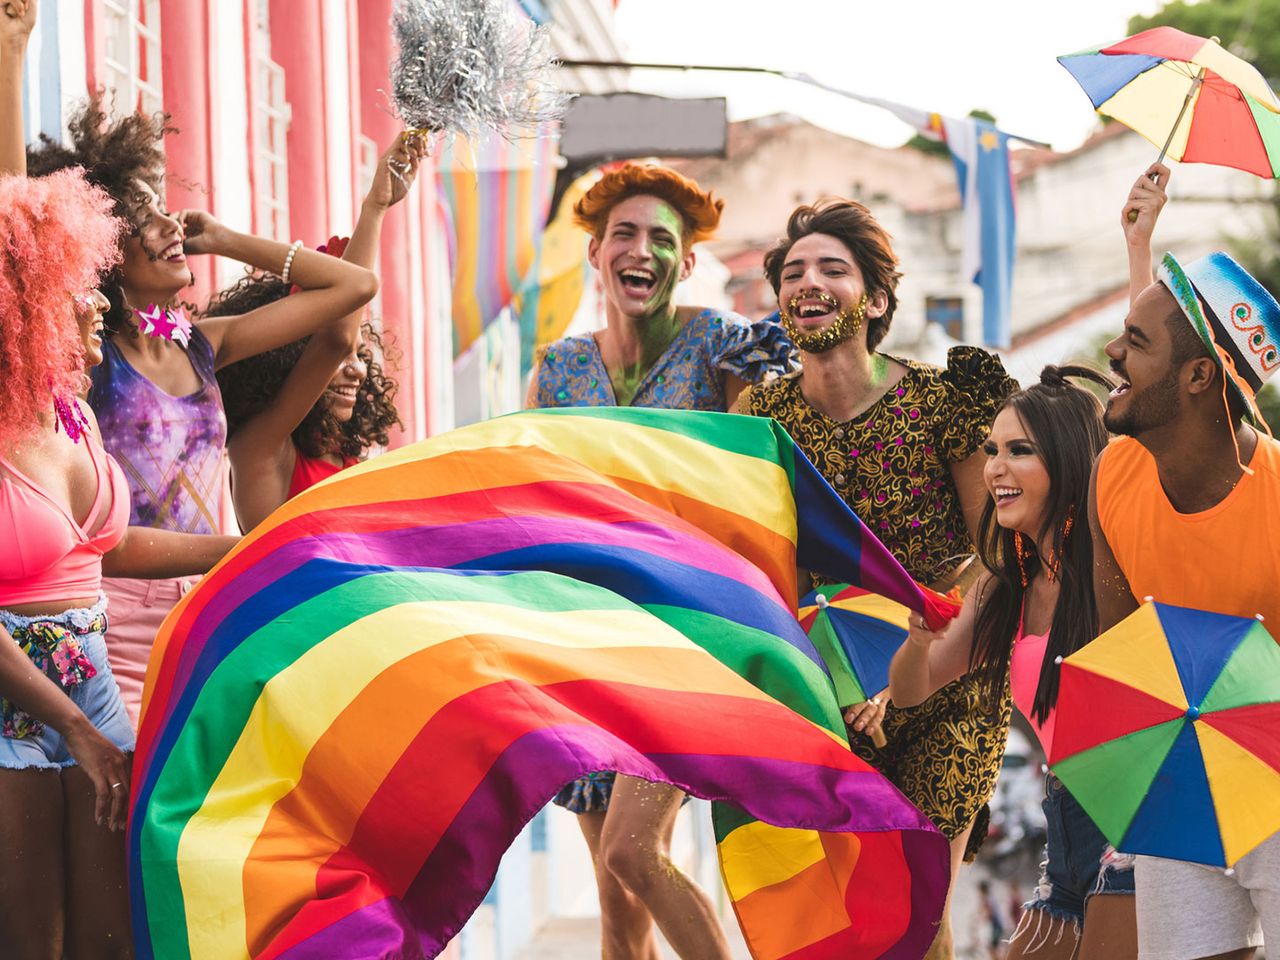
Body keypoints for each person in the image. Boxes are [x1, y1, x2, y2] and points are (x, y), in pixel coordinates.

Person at [10, 8, 379, 725]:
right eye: (145, 217)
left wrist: (232, 240)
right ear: (104, 252)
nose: (171, 225)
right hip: (116, 623)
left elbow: (352, 289)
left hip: (213, 604)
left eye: (167, 210)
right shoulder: (88, 364)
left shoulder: (206, 343)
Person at [527, 163, 796, 960]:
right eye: (624, 233)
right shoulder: (559, 368)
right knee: (618, 904)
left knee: (630, 851)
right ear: (596, 252)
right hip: (587, 638)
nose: (640, 250)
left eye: (660, 240)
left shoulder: (719, 347)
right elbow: (541, 499)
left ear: (683, 263)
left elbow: (753, 487)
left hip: (687, 635)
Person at [737, 197, 1016, 958]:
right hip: (822, 686)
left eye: (833, 268)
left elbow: (991, 560)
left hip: (946, 676)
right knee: (844, 922)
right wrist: (831, 678)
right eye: (793, 272)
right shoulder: (761, 420)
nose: (808, 281)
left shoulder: (942, 404)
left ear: (877, 299)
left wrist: (908, 671)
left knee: (920, 921)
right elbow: (763, 568)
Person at [0, 167, 238, 960]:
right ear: (26, 298)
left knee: (111, 941)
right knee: (35, 944)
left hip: (93, 688)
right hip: (13, 711)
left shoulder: (72, 412)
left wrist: (245, 547)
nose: (102, 299)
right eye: (79, 285)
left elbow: (110, 545)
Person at [888, 366, 1139, 960]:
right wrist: (919, 642)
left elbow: (1140, 451)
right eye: (991, 450)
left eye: (1018, 451)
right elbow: (910, 692)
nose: (994, 468)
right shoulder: (1006, 588)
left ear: (1069, 460)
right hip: (1067, 822)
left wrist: (1137, 268)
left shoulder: (1118, 565)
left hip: (1134, 821)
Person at [1091, 206, 1280, 960]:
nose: (1111, 351)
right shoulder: (1115, 472)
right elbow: (1118, 650)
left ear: (1200, 376)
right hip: (1179, 767)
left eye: (1136, 343)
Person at [212, 134, 421, 530]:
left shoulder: (349, 460)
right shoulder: (260, 451)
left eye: (361, 354)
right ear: (285, 360)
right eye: (340, 358)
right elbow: (337, 335)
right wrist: (374, 208)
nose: (356, 369)